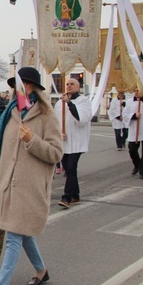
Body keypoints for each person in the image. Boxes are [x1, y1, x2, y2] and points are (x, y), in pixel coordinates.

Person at [0, 67, 63, 285]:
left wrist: (32, 141)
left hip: (30, 187)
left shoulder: (47, 116)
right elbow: (4, 151)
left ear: (32, 87)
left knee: (14, 236)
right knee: (21, 231)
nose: (17, 90)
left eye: (22, 85)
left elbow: (56, 153)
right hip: (8, 185)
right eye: (15, 86)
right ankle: (41, 270)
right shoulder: (11, 114)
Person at [53, 78, 92, 209]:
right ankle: (75, 195)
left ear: (78, 87)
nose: (69, 86)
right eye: (67, 84)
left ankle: (67, 197)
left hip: (76, 141)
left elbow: (82, 119)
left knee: (70, 167)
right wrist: (58, 133)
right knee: (68, 168)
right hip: (64, 141)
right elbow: (55, 121)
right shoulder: (59, 103)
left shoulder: (83, 101)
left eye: (72, 84)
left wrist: (69, 103)